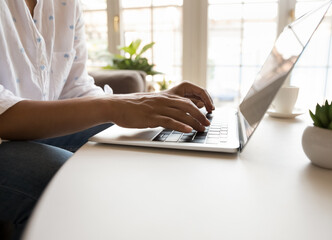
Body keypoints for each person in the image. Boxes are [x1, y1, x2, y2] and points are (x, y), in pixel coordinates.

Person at [0, 0, 215, 239]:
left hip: (39, 129)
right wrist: (113, 107)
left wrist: (147, 101)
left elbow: (74, 88)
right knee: (65, 177)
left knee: (140, 138)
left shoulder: (66, 4)